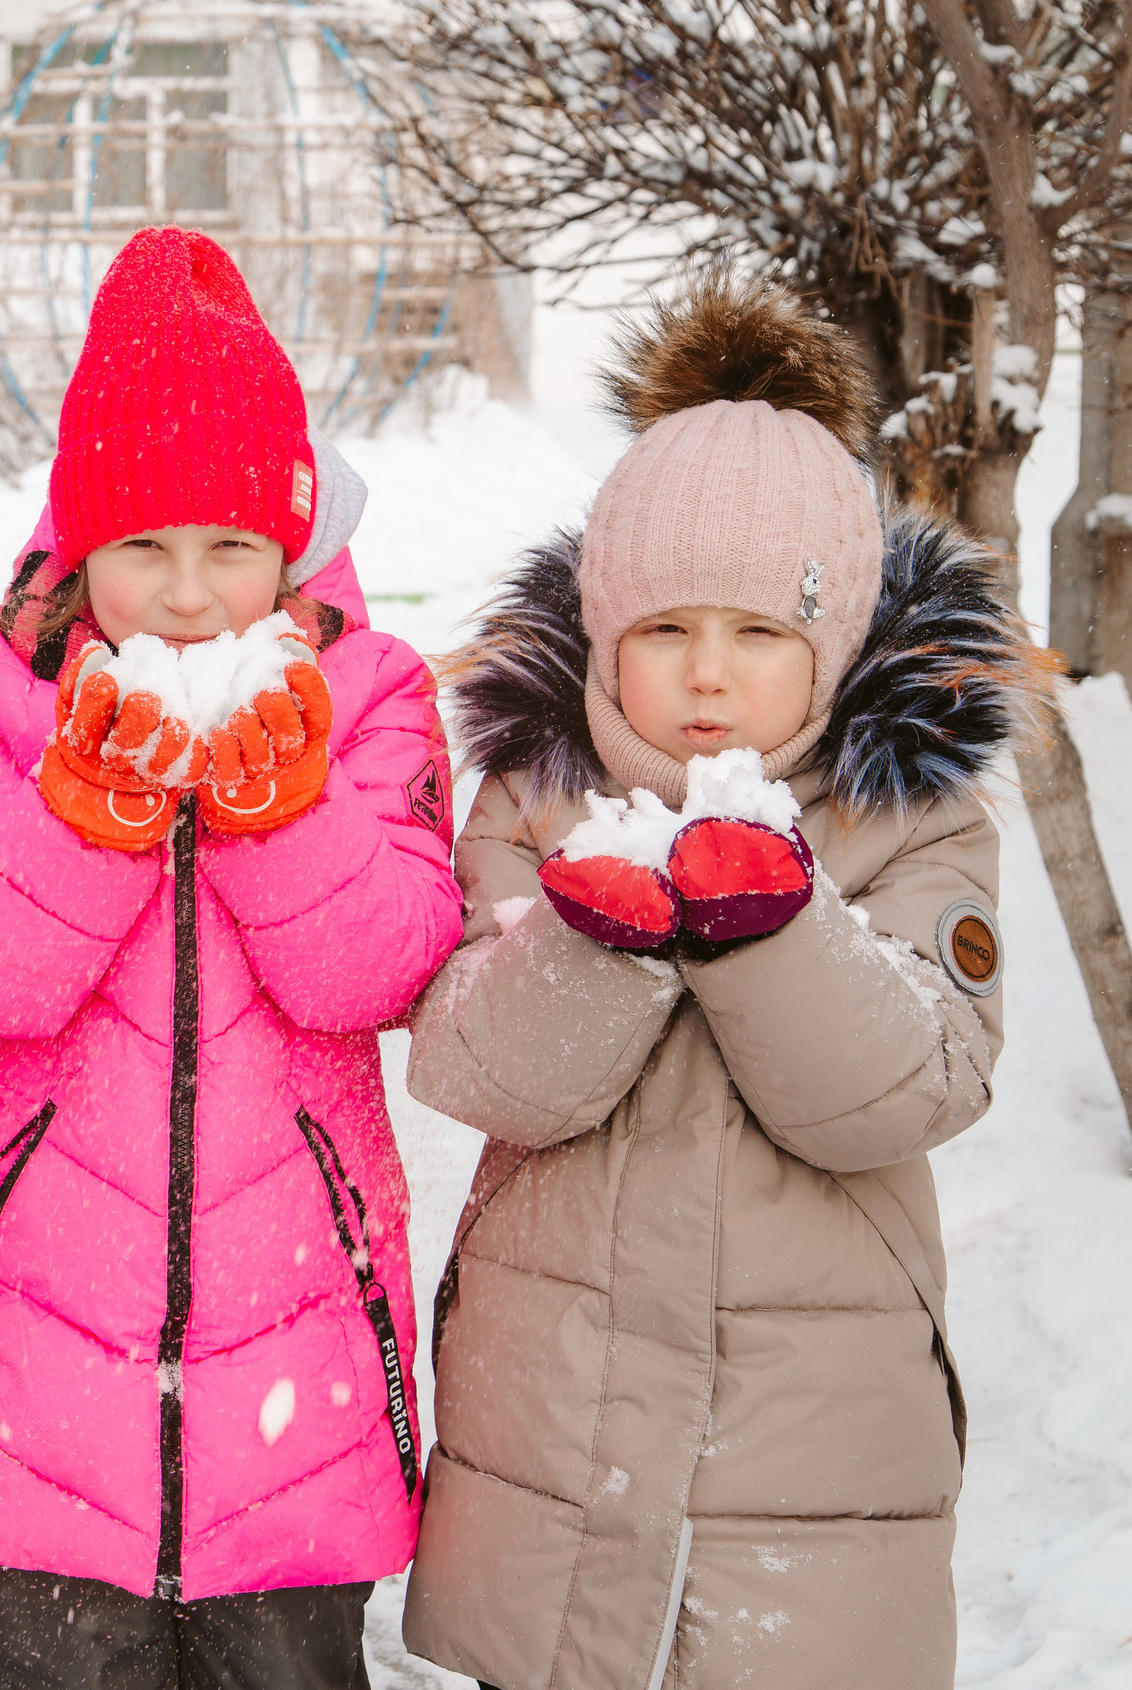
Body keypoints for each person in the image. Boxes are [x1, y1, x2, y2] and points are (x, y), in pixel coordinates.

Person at [399, 276, 1056, 1690]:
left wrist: (776, 928)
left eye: (759, 632)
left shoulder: (909, 814)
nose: (707, 677)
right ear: (604, 629)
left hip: (806, 1473)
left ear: (833, 638)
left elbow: (913, 1086)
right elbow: (475, 1065)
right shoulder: (536, 798)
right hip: (556, 1450)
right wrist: (596, 941)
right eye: (665, 630)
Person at [0, 225, 463, 1689]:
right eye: (143, 546)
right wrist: (85, 816)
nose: (191, 594)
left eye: (230, 548)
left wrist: (285, 812)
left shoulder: (374, 695)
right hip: (45, 1354)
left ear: (295, 545)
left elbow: (385, 970)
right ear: (80, 549)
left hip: (301, 1357)